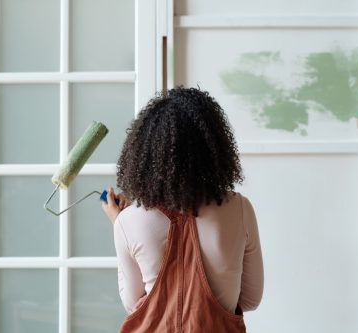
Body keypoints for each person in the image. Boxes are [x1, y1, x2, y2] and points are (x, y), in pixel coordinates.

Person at [101, 87, 264, 332]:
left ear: (145, 154)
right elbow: (251, 299)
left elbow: (133, 304)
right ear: (213, 148)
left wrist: (119, 222)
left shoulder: (129, 221)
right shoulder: (239, 209)